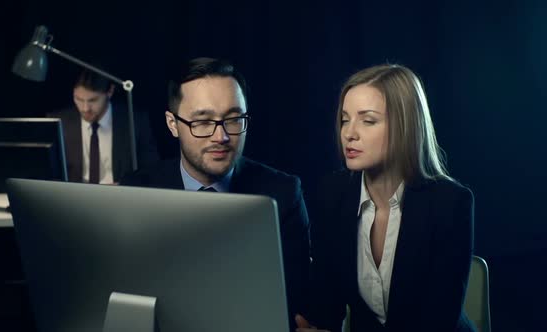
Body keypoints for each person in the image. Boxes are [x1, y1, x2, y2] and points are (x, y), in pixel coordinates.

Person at [121, 57, 310, 330]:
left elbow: (294, 301)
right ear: (173, 124)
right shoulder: (137, 191)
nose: (220, 136)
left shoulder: (283, 194)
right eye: (202, 121)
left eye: (233, 119)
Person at [297, 64, 475, 332]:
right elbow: (326, 299)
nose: (349, 133)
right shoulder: (333, 193)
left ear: (406, 126)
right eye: (345, 119)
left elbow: (437, 322)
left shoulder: (450, 204)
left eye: (367, 120)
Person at [47, 69, 159, 184]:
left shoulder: (135, 121)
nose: (85, 108)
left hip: (118, 197)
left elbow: (152, 170)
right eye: (79, 99)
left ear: (110, 91)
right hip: (72, 197)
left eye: (93, 100)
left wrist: (124, 185)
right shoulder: (58, 121)